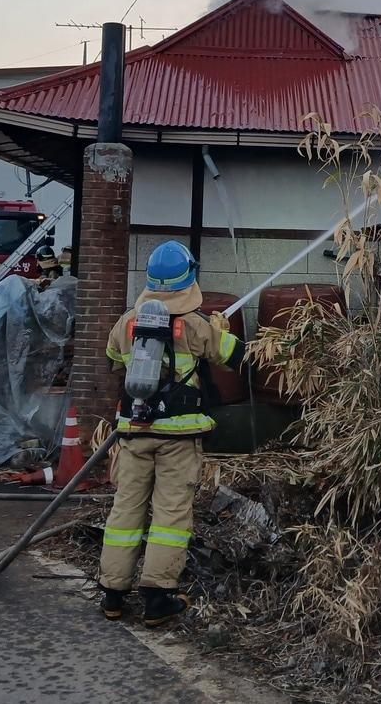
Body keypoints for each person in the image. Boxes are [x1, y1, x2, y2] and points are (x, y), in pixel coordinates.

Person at [97, 240, 245, 627]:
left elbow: (113, 360)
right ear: (189, 278)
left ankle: (113, 594)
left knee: (125, 510)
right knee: (170, 517)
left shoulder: (128, 322)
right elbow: (233, 356)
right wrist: (219, 330)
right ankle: (157, 600)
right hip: (179, 439)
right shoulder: (194, 325)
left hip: (133, 434)